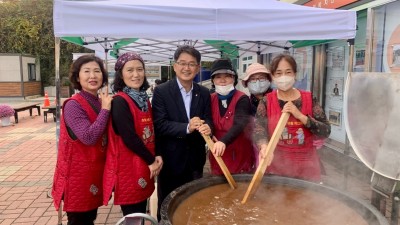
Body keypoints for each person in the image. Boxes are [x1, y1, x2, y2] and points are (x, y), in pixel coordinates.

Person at [151, 45, 213, 221]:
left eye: (192, 64)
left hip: (195, 160)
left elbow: (209, 119)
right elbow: (160, 124)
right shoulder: (162, 91)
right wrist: (187, 127)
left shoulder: (203, 92)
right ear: (174, 65)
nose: (187, 68)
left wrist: (208, 127)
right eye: (183, 63)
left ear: (198, 68)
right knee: (168, 206)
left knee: (193, 203)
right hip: (171, 160)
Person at [52, 55, 112, 225]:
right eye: (86, 71)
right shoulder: (73, 105)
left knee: (89, 218)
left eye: (97, 71)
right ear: (78, 77)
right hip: (77, 177)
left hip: (94, 172)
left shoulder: (99, 102)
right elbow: (88, 137)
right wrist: (106, 110)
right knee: (79, 220)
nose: (92, 76)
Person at [103, 52, 163, 217]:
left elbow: (152, 132)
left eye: (140, 69)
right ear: (121, 74)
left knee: (141, 211)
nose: (136, 74)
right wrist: (152, 160)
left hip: (144, 164)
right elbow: (129, 138)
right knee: (133, 216)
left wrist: (156, 154)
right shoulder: (120, 102)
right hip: (129, 169)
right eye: (130, 70)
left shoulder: (144, 100)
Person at [255, 54, 330, 182]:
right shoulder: (266, 101)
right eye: (278, 73)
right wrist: (263, 146)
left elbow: (326, 130)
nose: (283, 77)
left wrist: (300, 116)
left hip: (306, 166)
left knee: (305, 201)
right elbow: (259, 129)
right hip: (276, 165)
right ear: (273, 77)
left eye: (288, 72)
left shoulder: (310, 99)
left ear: (295, 74)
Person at [208, 59, 256, 175]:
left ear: (233, 79)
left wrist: (223, 141)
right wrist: (208, 129)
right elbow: (208, 119)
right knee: (218, 188)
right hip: (217, 153)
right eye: (218, 77)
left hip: (239, 151)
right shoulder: (210, 98)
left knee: (240, 187)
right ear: (213, 81)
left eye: (227, 76)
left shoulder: (242, 98)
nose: (223, 80)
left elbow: (240, 123)